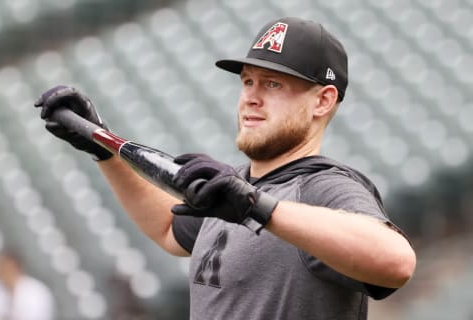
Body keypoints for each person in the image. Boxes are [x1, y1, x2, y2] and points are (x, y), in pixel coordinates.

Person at [34, 17, 416, 319]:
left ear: (323, 101)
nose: (250, 96)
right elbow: (168, 230)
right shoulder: (235, 188)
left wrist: (257, 207)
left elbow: (396, 261)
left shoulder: (321, 187)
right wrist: (102, 147)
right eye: (247, 81)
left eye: (273, 85)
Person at [0, 250, 55, 320]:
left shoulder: (36, 291)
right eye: (1, 267)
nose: (4, 272)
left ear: (17, 268)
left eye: (7, 267)